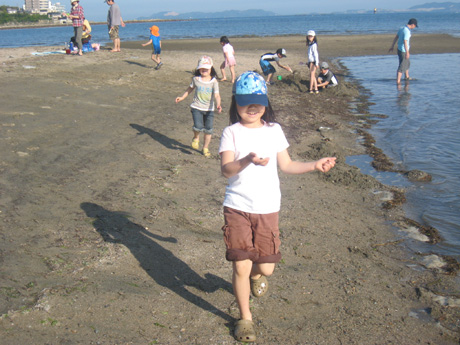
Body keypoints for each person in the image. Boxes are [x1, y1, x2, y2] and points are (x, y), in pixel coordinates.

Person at [219, 71, 336, 342]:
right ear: (236, 102)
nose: (252, 107)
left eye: (257, 101)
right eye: (245, 101)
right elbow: (226, 170)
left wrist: (314, 165)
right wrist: (247, 159)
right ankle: (245, 319)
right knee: (241, 265)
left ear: (265, 102)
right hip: (236, 207)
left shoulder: (274, 131)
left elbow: (287, 165)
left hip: (268, 208)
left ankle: (257, 276)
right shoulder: (231, 132)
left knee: (266, 268)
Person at [175, 56, 222, 158]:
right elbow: (189, 89)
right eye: (202, 68)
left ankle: (205, 148)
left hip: (209, 110)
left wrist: (218, 104)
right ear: (198, 69)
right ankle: (196, 138)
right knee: (198, 126)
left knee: (208, 130)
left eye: (206, 68)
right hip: (196, 107)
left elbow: (217, 95)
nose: (204, 70)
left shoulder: (214, 81)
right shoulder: (196, 79)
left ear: (211, 68)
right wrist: (182, 97)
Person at [388, 18, 418, 84]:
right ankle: (398, 81)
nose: (414, 27)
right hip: (403, 50)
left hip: (399, 49)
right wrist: (407, 52)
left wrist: (392, 46)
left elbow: (396, 37)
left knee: (407, 63)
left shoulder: (402, 28)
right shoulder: (407, 31)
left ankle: (407, 76)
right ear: (413, 25)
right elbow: (405, 41)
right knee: (402, 66)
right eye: (415, 26)